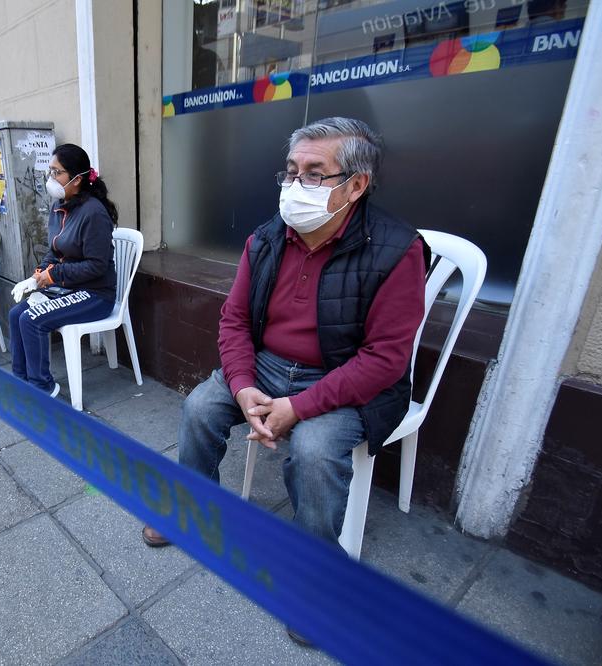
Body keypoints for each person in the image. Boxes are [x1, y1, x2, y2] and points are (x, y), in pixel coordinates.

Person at [142, 118, 427, 630]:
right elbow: (233, 320)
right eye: (292, 172)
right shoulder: (268, 239)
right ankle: (193, 509)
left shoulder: (395, 249)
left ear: (356, 184)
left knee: (314, 452)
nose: (297, 187)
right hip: (267, 368)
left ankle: (316, 577)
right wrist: (244, 386)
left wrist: (299, 407)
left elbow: (385, 358)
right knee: (201, 407)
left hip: (343, 379)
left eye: (315, 174)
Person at [8, 143, 118, 396]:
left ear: (77, 179)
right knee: (16, 314)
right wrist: (38, 275)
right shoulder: (60, 207)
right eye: (50, 172)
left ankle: (43, 388)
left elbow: (97, 266)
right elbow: (54, 251)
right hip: (67, 288)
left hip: (95, 294)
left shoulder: (94, 213)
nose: (51, 178)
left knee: (32, 320)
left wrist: (53, 275)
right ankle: (21, 380)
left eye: (57, 172)